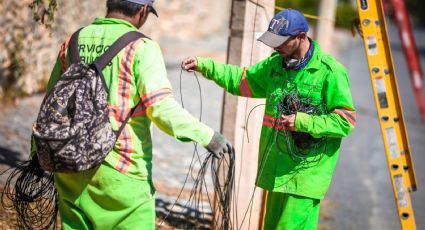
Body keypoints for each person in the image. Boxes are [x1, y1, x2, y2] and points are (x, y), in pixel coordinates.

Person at [46, 0, 233, 229]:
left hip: (68, 167)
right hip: (121, 172)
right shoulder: (141, 47)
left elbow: (51, 104)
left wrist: (38, 153)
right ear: (143, 11)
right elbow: (161, 109)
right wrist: (209, 137)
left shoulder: (72, 41)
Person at [182, 9, 356, 230]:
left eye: (281, 42)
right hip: (276, 172)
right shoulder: (274, 66)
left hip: (304, 177)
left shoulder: (330, 73)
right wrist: (204, 65)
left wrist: (304, 122)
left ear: (301, 37)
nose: (275, 47)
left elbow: (345, 121)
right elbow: (240, 81)